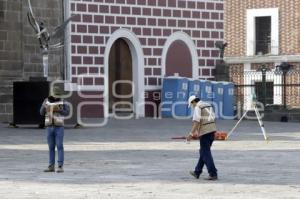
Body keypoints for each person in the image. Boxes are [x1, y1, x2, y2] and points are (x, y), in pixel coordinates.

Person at [187, 95, 218, 180]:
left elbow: (196, 122)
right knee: (203, 152)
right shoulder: (208, 105)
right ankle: (197, 171)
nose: (192, 107)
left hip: (205, 132)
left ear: (193, 102)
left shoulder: (198, 107)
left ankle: (213, 173)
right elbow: (213, 118)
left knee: (206, 153)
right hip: (212, 131)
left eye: (192, 105)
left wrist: (191, 134)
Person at [40, 86, 70, 173]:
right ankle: (51, 166)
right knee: (51, 147)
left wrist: (60, 110)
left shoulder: (63, 101)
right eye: (55, 95)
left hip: (59, 127)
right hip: (49, 127)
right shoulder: (46, 101)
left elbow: (67, 112)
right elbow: (41, 113)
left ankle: (60, 166)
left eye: (58, 95)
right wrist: (45, 107)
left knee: (60, 145)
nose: (56, 97)